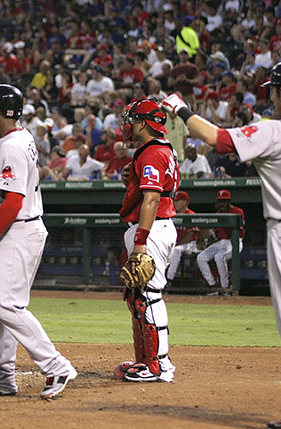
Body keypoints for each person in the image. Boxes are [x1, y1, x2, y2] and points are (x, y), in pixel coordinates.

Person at [165, 60, 281, 429]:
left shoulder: (275, 131)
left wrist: (180, 108)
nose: (271, 96)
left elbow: (217, 139)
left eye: (273, 90)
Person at [0, 80, 77, 399]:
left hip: (17, 227)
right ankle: (2, 376)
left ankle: (56, 366)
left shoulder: (11, 145)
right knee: (10, 305)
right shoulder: (18, 135)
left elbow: (12, 201)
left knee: (5, 305)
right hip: (23, 227)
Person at [114, 98, 179, 383]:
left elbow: (152, 198)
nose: (128, 125)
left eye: (132, 120)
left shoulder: (152, 152)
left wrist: (140, 241)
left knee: (148, 297)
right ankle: (147, 361)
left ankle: (159, 366)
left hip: (151, 229)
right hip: (152, 227)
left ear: (143, 123)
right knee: (137, 297)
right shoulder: (155, 150)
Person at [195, 190, 245, 292]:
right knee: (201, 257)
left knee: (219, 256)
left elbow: (239, 231)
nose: (222, 204)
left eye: (224, 201)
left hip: (235, 241)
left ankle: (224, 287)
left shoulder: (237, 211)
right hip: (221, 242)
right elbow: (216, 234)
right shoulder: (217, 214)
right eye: (220, 201)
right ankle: (213, 284)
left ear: (229, 201)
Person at [165, 191, 199, 282]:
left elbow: (190, 236)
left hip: (190, 244)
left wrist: (176, 245)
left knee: (176, 250)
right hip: (176, 243)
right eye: (174, 201)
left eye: (177, 201)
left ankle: (169, 280)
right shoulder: (172, 215)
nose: (175, 203)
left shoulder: (191, 215)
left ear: (185, 202)